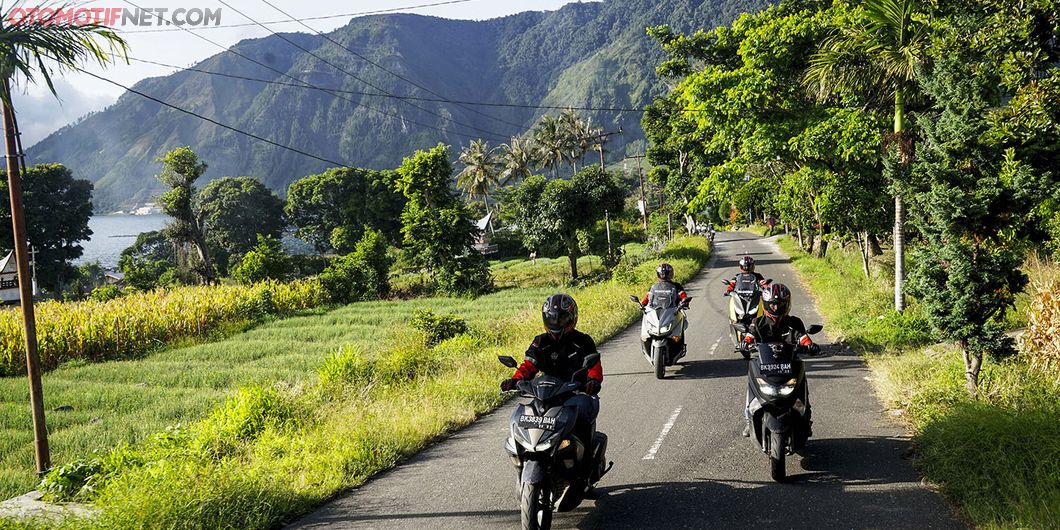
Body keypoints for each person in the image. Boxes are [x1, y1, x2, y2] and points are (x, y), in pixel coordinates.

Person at [501, 294, 602, 444]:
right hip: (547, 394)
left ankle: (586, 460)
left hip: (576, 393)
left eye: (561, 318)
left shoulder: (583, 341)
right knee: (527, 416)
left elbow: (594, 366)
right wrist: (515, 380)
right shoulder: (540, 341)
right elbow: (528, 365)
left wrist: (593, 381)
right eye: (551, 318)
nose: (556, 322)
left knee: (582, 416)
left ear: (572, 317)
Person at [741, 283, 820, 437]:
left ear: (787, 304)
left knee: (802, 381)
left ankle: (806, 416)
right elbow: (750, 336)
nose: (776, 308)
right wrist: (745, 343)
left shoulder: (794, 322)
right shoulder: (758, 322)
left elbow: (803, 337)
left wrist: (810, 345)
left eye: (779, 304)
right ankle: (748, 417)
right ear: (765, 304)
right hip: (765, 365)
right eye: (772, 305)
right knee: (751, 377)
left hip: (790, 364)